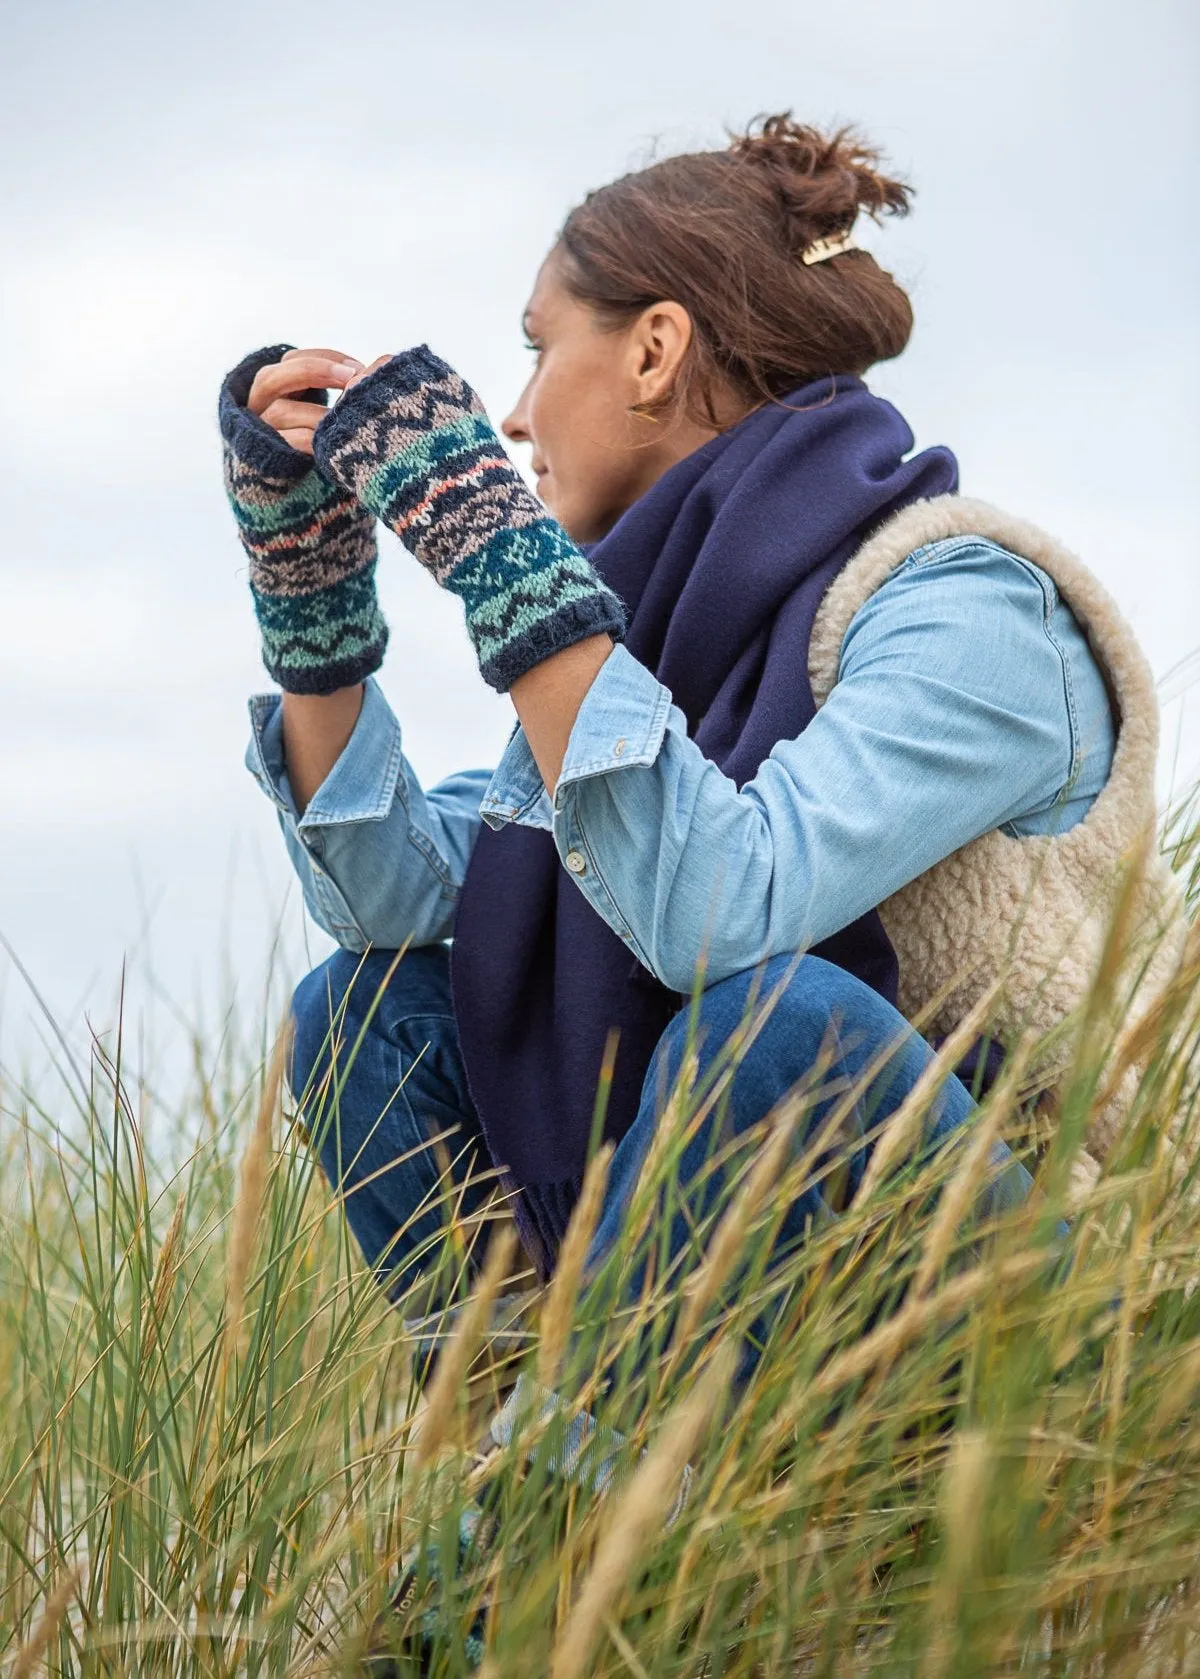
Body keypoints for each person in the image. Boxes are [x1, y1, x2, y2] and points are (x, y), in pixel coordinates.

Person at [219, 115, 1178, 1663]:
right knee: (362, 1013)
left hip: (1013, 1322)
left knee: (770, 1019)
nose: (518, 416)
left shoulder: (969, 605)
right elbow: (397, 898)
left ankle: (519, 1563)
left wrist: (506, 567)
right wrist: (312, 605)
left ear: (656, 348)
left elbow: (734, 906)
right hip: (704, 1292)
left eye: (539, 353)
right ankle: (534, 1435)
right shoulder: (629, 657)